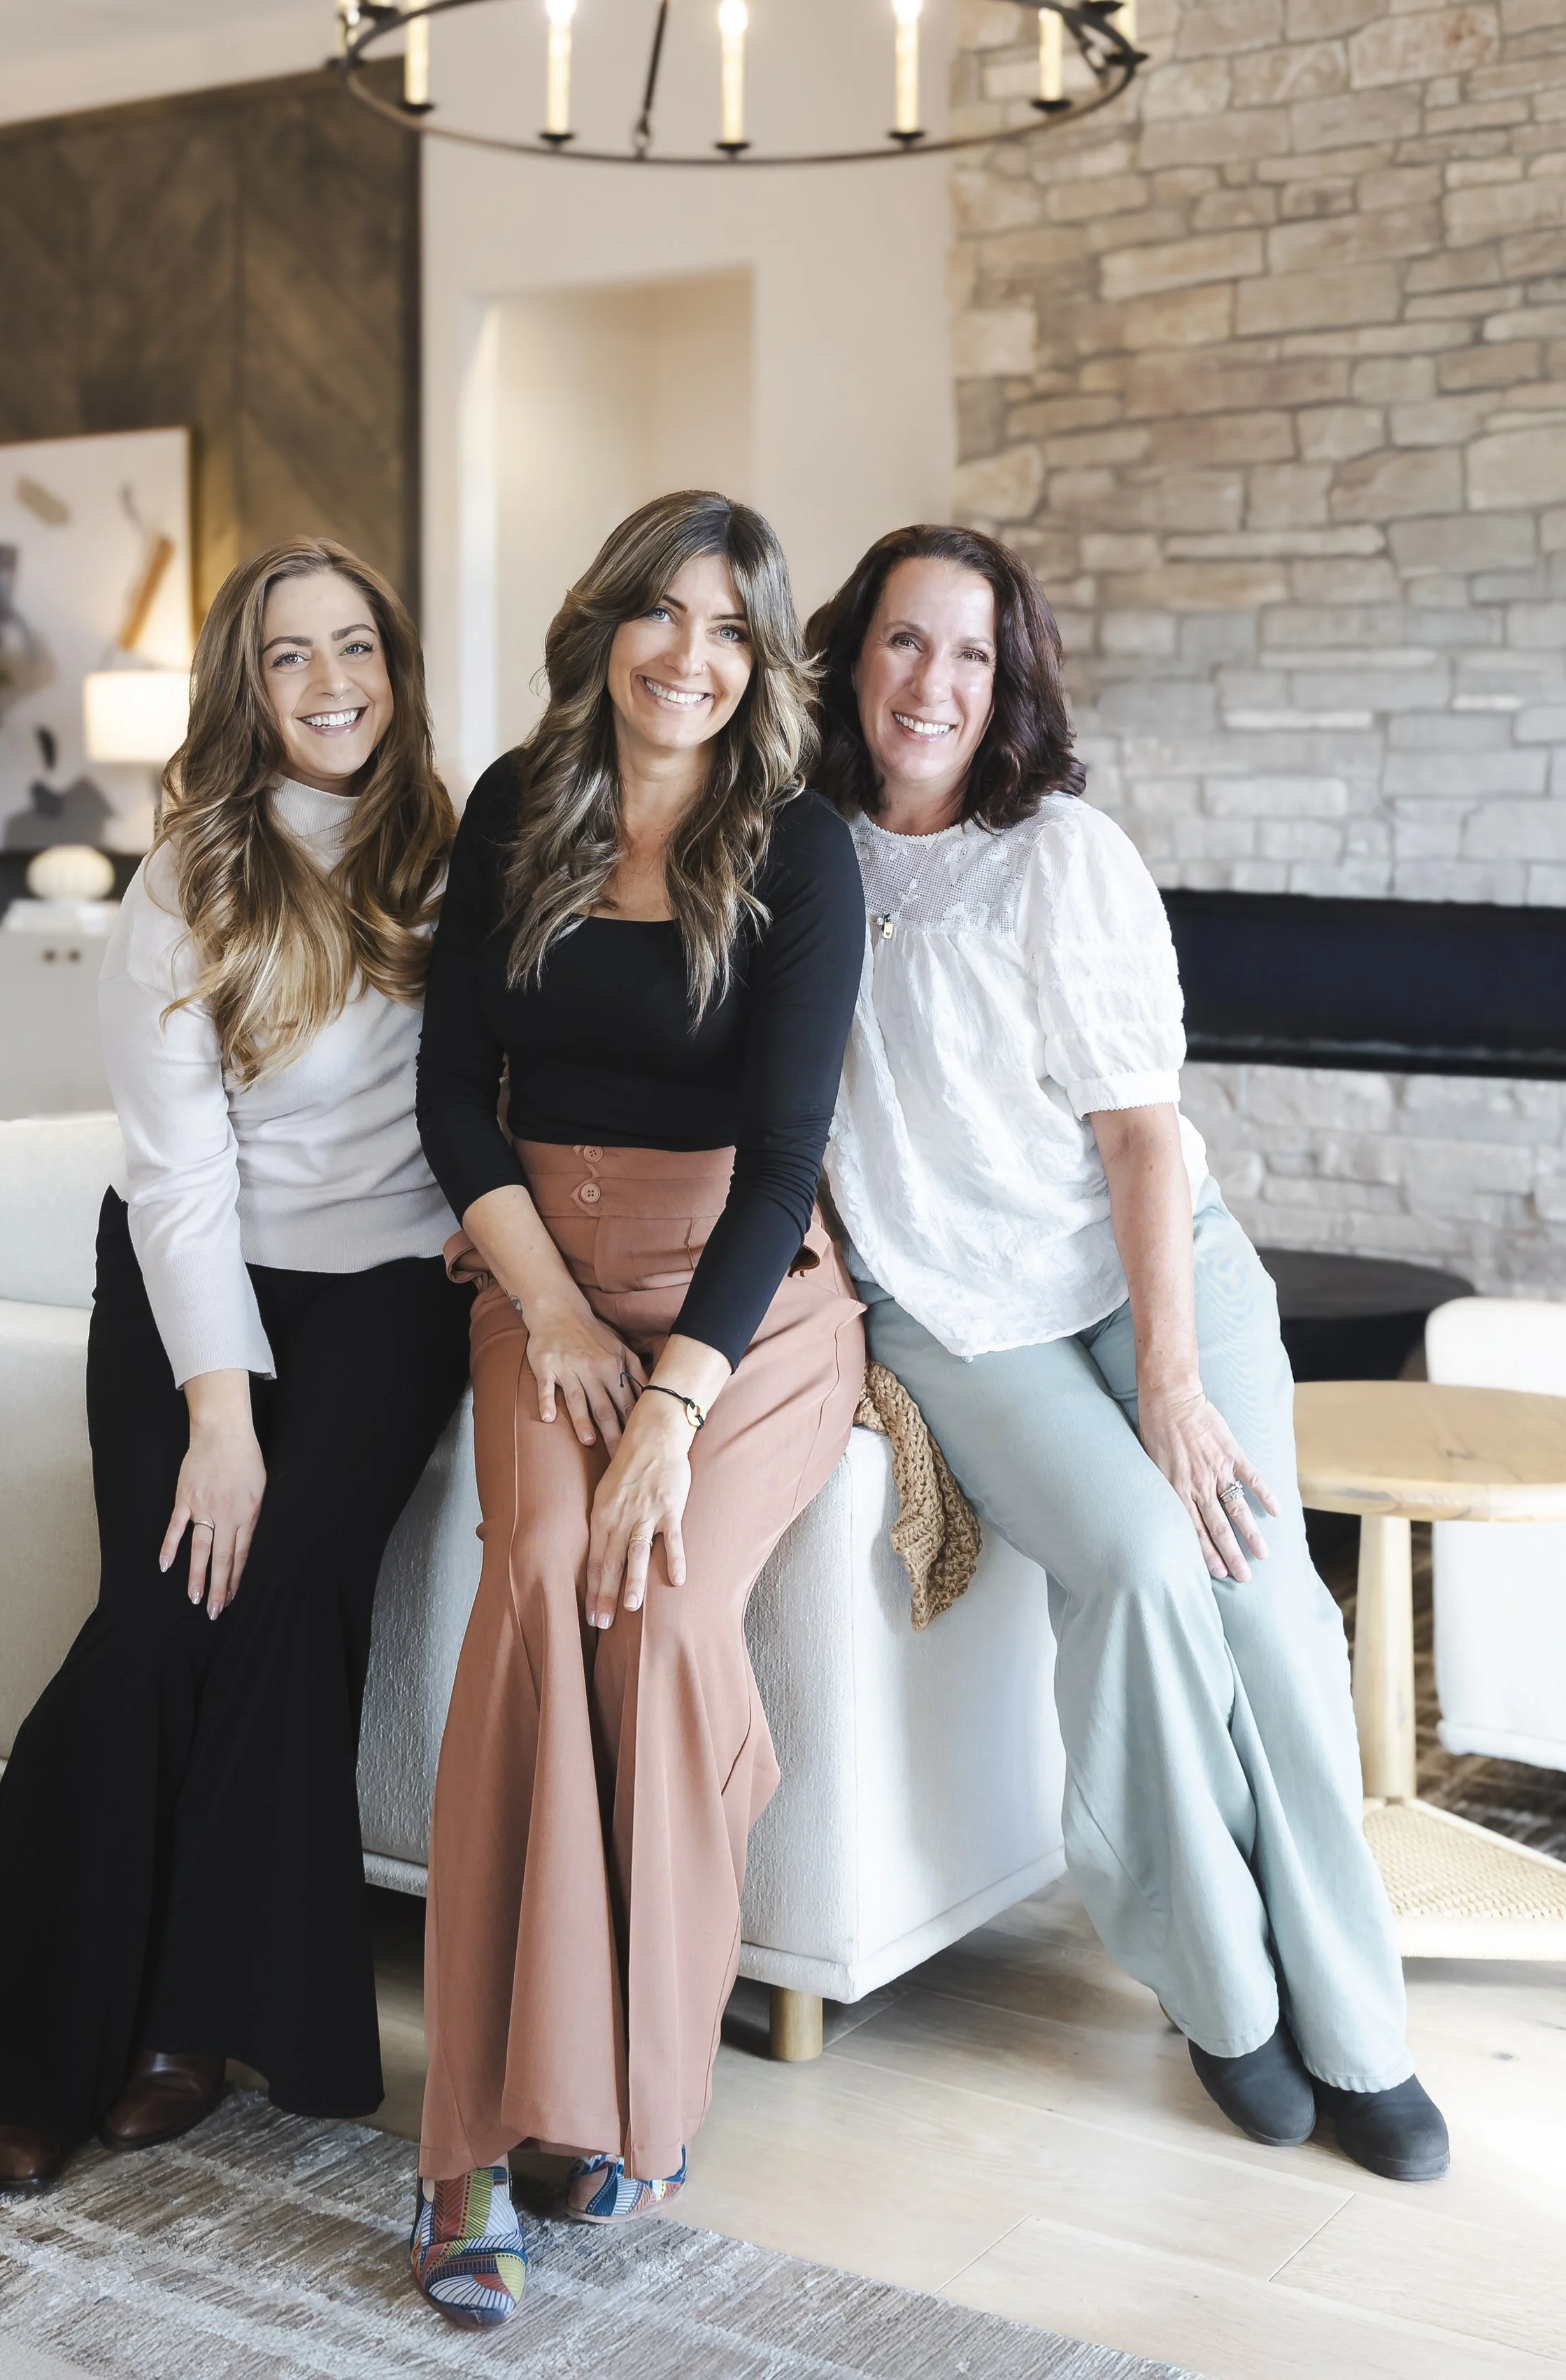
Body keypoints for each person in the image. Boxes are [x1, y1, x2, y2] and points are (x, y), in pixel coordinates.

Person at [809, 522, 1448, 2185]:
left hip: (1151, 1275)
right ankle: (1218, 1994)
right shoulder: (794, 857)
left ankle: (1356, 2024)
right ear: (851, 658)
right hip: (951, 1311)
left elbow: (1143, 1143)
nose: (931, 682)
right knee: (1143, 1573)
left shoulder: (1059, 854)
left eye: (967, 651)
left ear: (1006, 675)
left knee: (1266, 1604)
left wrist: (1168, 1377)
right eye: (901, 642)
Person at [0, 539, 474, 2194]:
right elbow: (179, 1177)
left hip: (392, 1286)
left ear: (395, 665)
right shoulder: (185, 877)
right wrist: (218, 1417)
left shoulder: (465, 852)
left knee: (291, 1589)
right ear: (244, 686)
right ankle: (22, 2043)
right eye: (290, 655)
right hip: (190, 1284)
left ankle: (195, 2021)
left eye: (356, 647)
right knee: (163, 1605)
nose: (331, 684)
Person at [408, 490, 864, 2328]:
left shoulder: (802, 846)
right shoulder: (518, 804)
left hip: (749, 1311)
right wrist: (542, 1306)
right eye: (659, 615)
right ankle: (463, 2139)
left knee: (662, 1605)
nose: (688, 654)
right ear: (603, 624)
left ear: (758, 662)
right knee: (532, 1577)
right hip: (540, 1273)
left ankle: (621, 2093)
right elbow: (455, 1092)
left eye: (729, 629)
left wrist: (671, 1403)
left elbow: (783, 1161)